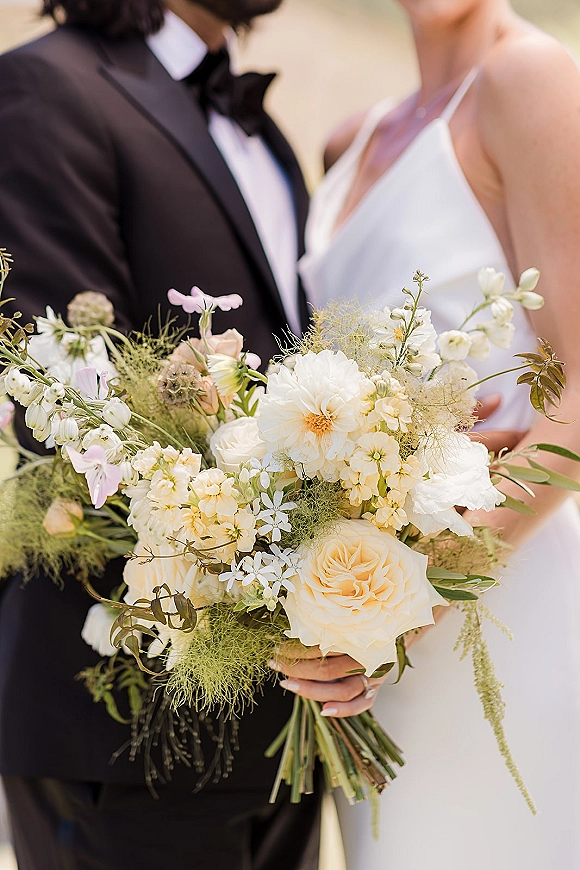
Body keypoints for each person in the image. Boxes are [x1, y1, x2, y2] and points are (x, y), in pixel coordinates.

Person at [0, 1, 368, 867]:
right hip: (121, 733)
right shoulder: (45, 89)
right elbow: (74, 415)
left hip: (281, 727)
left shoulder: (265, 137)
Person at [294, 0, 580, 867]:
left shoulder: (532, 80)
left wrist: (418, 598)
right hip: (363, 644)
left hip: (505, 603)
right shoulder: (351, 140)